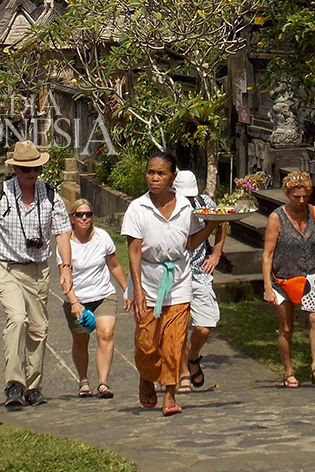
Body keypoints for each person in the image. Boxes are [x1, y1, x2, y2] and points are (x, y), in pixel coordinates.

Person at [0, 141, 73, 408]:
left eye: (36, 169)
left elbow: (62, 233)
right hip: (6, 268)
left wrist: (66, 269)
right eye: (26, 169)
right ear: (15, 168)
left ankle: (33, 386)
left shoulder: (50, 196)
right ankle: (14, 383)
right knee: (17, 319)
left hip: (37, 270)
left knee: (39, 329)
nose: (32, 174)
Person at [121, 152, 218, 416]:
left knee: (174, 341)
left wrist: (214, 225)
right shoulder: (138, 209)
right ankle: (146, 376)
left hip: (178, 280)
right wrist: (138, 291)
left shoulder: (186, 208)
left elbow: (190, 242)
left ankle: (170, 396)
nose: (155, 178)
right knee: (147, 344)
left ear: (172, 177)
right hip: (148, 280)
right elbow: (134, 252)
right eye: (150, 172)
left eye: (161, 173)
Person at [261, 170, 315, 388]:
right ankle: (288, 372)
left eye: (305, 196)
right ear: (287, 194)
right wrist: (267, 286)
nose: (301, 200)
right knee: (286, 327)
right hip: (283, 278)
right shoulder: (277, 218)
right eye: (297, 196)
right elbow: (267, 254)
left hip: (310, 277)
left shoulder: (314, 213)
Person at [61, 199, 130, 399]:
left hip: (103, 296)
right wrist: (74, 302)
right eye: (80, 215)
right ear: (72, 218)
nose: (84, 218)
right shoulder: (65, 243)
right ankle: (83, 381)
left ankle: (103, 383)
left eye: (88, 214)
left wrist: (127, 289)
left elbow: (114, 265)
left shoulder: (103, 237)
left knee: (106, 334)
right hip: (78, 299)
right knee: (81, 340)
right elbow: (64, 276)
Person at [173, 170, 227, 390]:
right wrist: (211, 226)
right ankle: (183, 373)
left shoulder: (204, 202)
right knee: (179, 325)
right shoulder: (169, 206)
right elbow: (188, 242)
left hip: (199, 270)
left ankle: (192, 357)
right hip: (176, 271)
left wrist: (216, 253)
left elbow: (222, 221)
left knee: (205, 325)